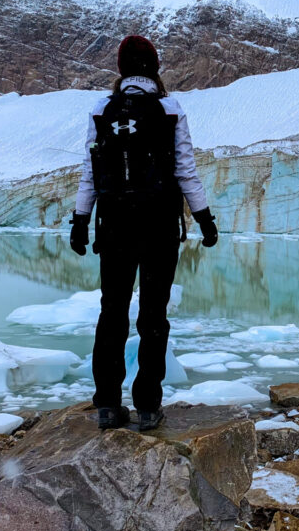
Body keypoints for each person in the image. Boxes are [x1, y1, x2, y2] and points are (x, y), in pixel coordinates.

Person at [69, 35, 218, 431]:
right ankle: (149, 406)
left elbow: (91, 171)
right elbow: (185, 169)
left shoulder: (103, 109)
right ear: (154, 67)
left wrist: (81, 220)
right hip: (159, 229)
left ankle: (106, 406)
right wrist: (204, 218)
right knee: (153, 315)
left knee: (112, 312)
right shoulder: (169, 109)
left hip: (115, 227)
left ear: (121, 69)